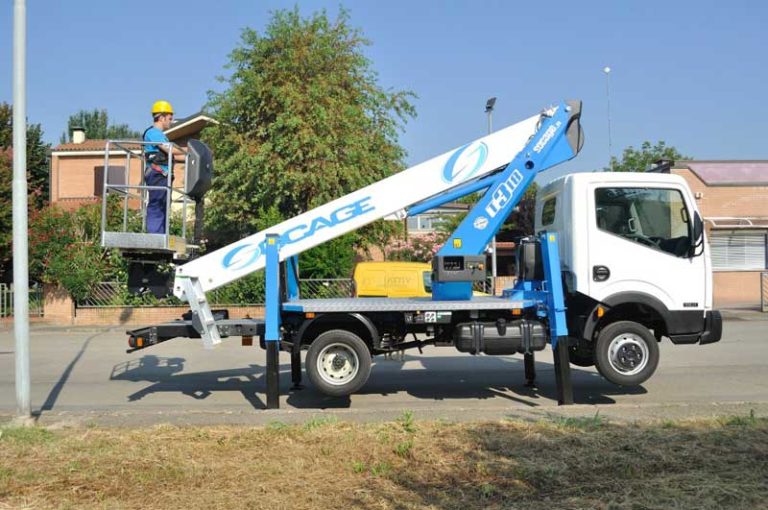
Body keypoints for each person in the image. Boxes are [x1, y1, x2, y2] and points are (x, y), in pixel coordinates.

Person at [143, 100, 185, 234]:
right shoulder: (153, 133)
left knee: (164, 206)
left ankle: (161, 235)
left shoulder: (161, 136)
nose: (171, 121)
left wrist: (192, 156)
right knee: (157, 205)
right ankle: (155, 236)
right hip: (157, 174)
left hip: (163, 176)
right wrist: (189, 150)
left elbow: (173, 156)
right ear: (161, 117)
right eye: (169, 118)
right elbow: (169, 150)